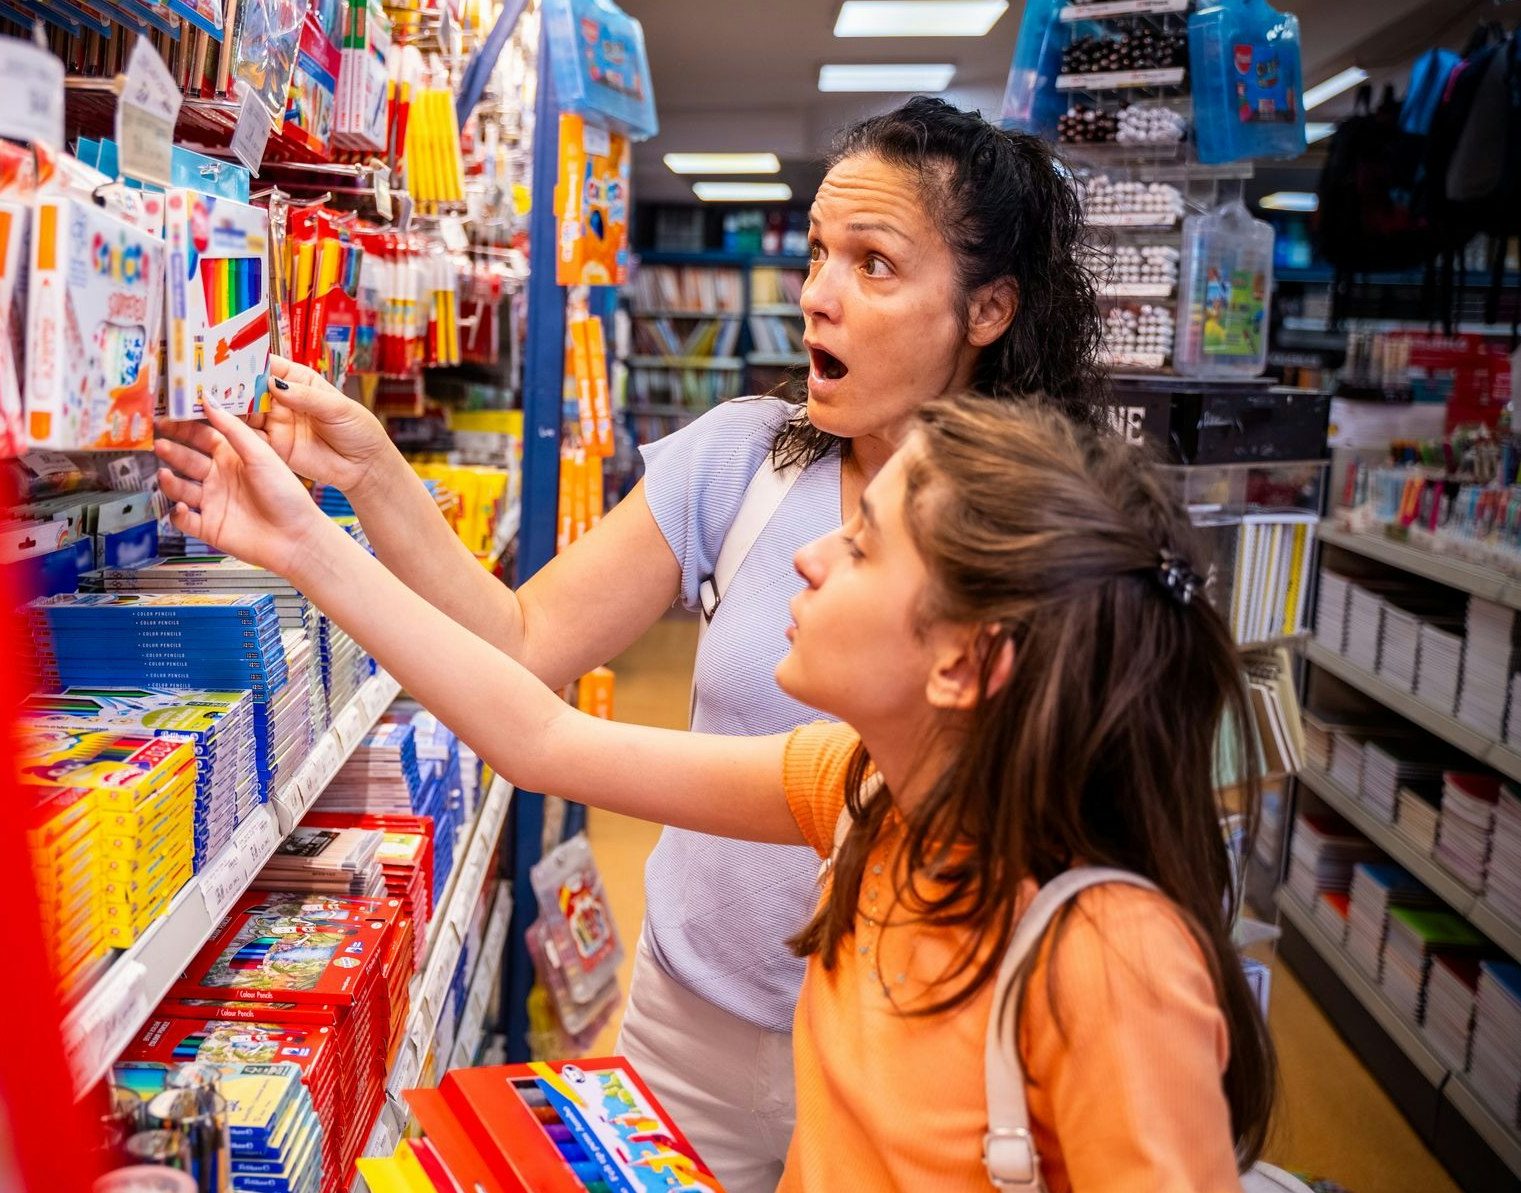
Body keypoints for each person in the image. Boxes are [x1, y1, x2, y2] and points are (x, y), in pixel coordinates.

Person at [160, 97, 1102, 1187]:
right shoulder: (749, 466)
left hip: (913, 1056)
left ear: (988, 309)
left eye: (876, 266)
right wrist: (369, 476)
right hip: (688, 1022)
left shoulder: (1040, 556)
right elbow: (527, 661)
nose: (817, 299)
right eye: (817, 257)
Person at [154, 392, 1276, 1192]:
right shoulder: (868, 795)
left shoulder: (1109, 957)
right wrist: (304, 540)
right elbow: (543, 735)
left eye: (864, 548)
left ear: (962, 663)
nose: (808, 559)